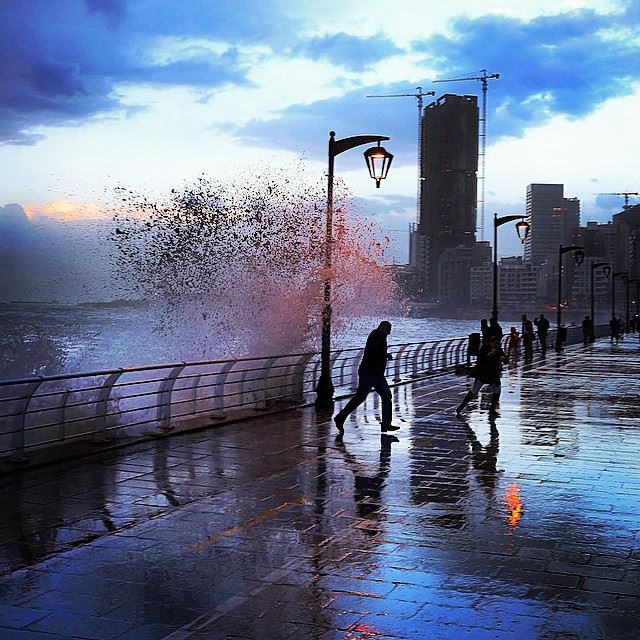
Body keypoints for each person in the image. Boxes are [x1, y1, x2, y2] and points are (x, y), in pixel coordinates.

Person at [334, 321, 399, 434]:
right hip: (368, 373)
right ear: (383, 328)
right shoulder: (375, 336)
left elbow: (376, 352)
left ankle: (386, 424)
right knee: (360, 397)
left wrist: (385, 355)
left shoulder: (380, 337)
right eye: (388, 330)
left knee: (387, 395)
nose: (389, 332)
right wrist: (384, 355)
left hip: (377, 374)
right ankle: (340, 417)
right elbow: (373, 352)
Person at [456, 335, 507, 417]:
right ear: (490, 343)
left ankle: (492, 410)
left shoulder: (499, 350)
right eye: (495, 343)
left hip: (494, 374)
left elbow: (504, 360)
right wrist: (490, 354)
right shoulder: (484, 349)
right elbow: (482, 359)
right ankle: (461, 407)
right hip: (483, 374)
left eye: (498, 343)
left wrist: (504, 358)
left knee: (497, 391)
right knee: (474, 391)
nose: (496, 345)